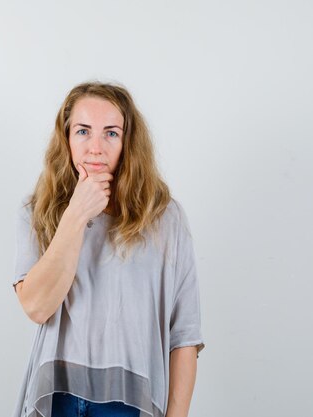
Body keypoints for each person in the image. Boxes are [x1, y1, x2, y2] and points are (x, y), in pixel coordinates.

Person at [11, 81, 205, 417]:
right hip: (57, 395)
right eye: (83, 131)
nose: (96, 147)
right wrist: (76, 213)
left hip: (129, 402)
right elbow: (37, 307)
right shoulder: (38, 211)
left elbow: (184, 335)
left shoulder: (164, 217)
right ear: (66, 138)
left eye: (111, 133)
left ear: (128, 142)